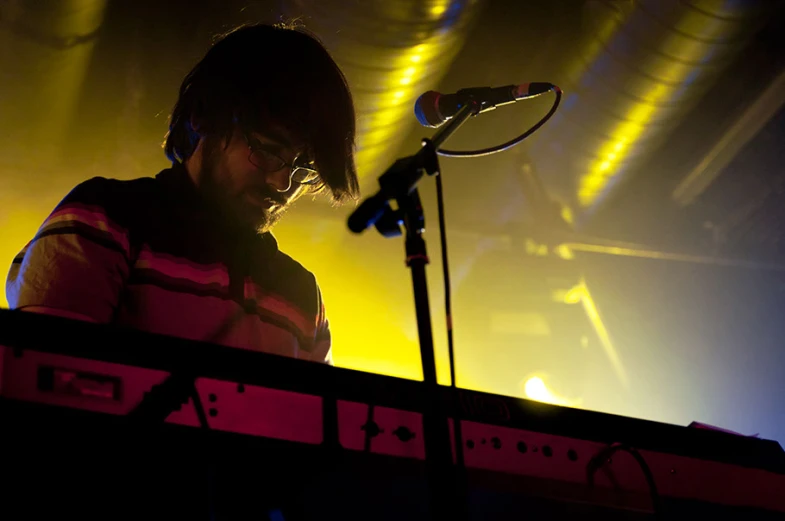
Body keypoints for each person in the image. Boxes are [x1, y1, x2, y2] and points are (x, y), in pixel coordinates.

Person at [6, 23, 359, 364]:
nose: (283, 184)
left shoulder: (302, 294)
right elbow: (48, 384)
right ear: (203, 116)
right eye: (267, 150)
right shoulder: (103, 220)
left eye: (304, 169)